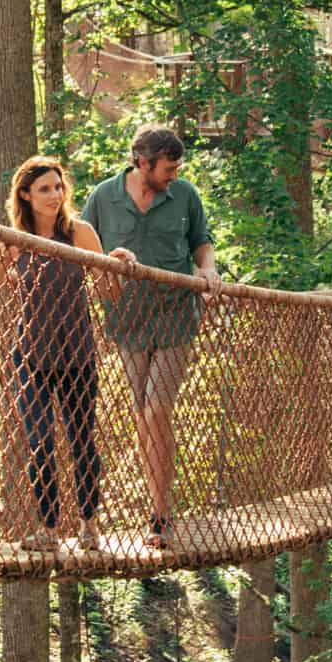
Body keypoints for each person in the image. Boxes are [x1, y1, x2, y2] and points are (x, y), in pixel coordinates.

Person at [0, 157, 112, 549]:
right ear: (25, 195)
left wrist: (118, 263)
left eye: (58, 186)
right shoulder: (13, 242)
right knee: (41, 442)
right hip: (31, 358)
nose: (54, 195)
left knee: (82, 441)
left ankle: (89, 524)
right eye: (45, 188)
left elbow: (109, 290)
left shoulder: (78, 233)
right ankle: (48, 530)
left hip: (78, 355)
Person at [80, 124, 222, 552]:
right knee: (142, 415)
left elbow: (201, 242)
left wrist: (207, 268)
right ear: (142, 163)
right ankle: (157, 505)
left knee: (158, 407)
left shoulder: (186, 196)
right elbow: (84, 246)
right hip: (126, 321)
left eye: (177, 167)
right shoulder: (103, 197)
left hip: (177, 314)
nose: (174, 174)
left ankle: (160, 512)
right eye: (168, 168)